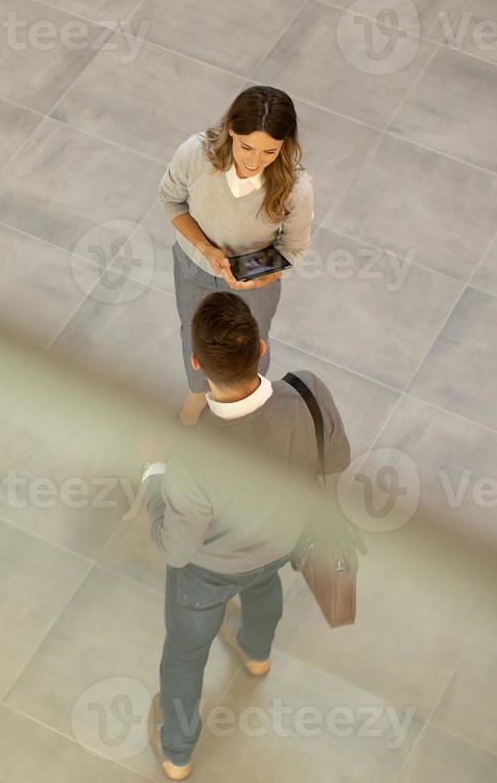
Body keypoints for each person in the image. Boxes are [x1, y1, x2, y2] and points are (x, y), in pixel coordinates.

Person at [139, 292, 350, 780]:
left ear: (196, 363)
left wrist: (153, 471)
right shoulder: (310, 392)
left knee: (186, 655)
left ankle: (177, 751)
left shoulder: (195, 456)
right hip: (284, 542)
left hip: (209, 573)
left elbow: (176, 547)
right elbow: (335, 460)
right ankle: (256, 653)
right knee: (261, 585)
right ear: (260, 346)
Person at [159, 85, 313, 427]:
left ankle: (248, 407)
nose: (254, 161)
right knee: (194, 336)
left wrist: (263, 275)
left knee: (250, 344)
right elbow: (171, 201)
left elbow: (293, 248)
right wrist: (206, 249)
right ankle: (198, 396)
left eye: (270, 152)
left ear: (285, 145)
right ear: (231, 129)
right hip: (193, 268)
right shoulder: (195, 154)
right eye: (246, 147)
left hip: (254, 285)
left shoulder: (295, 187)